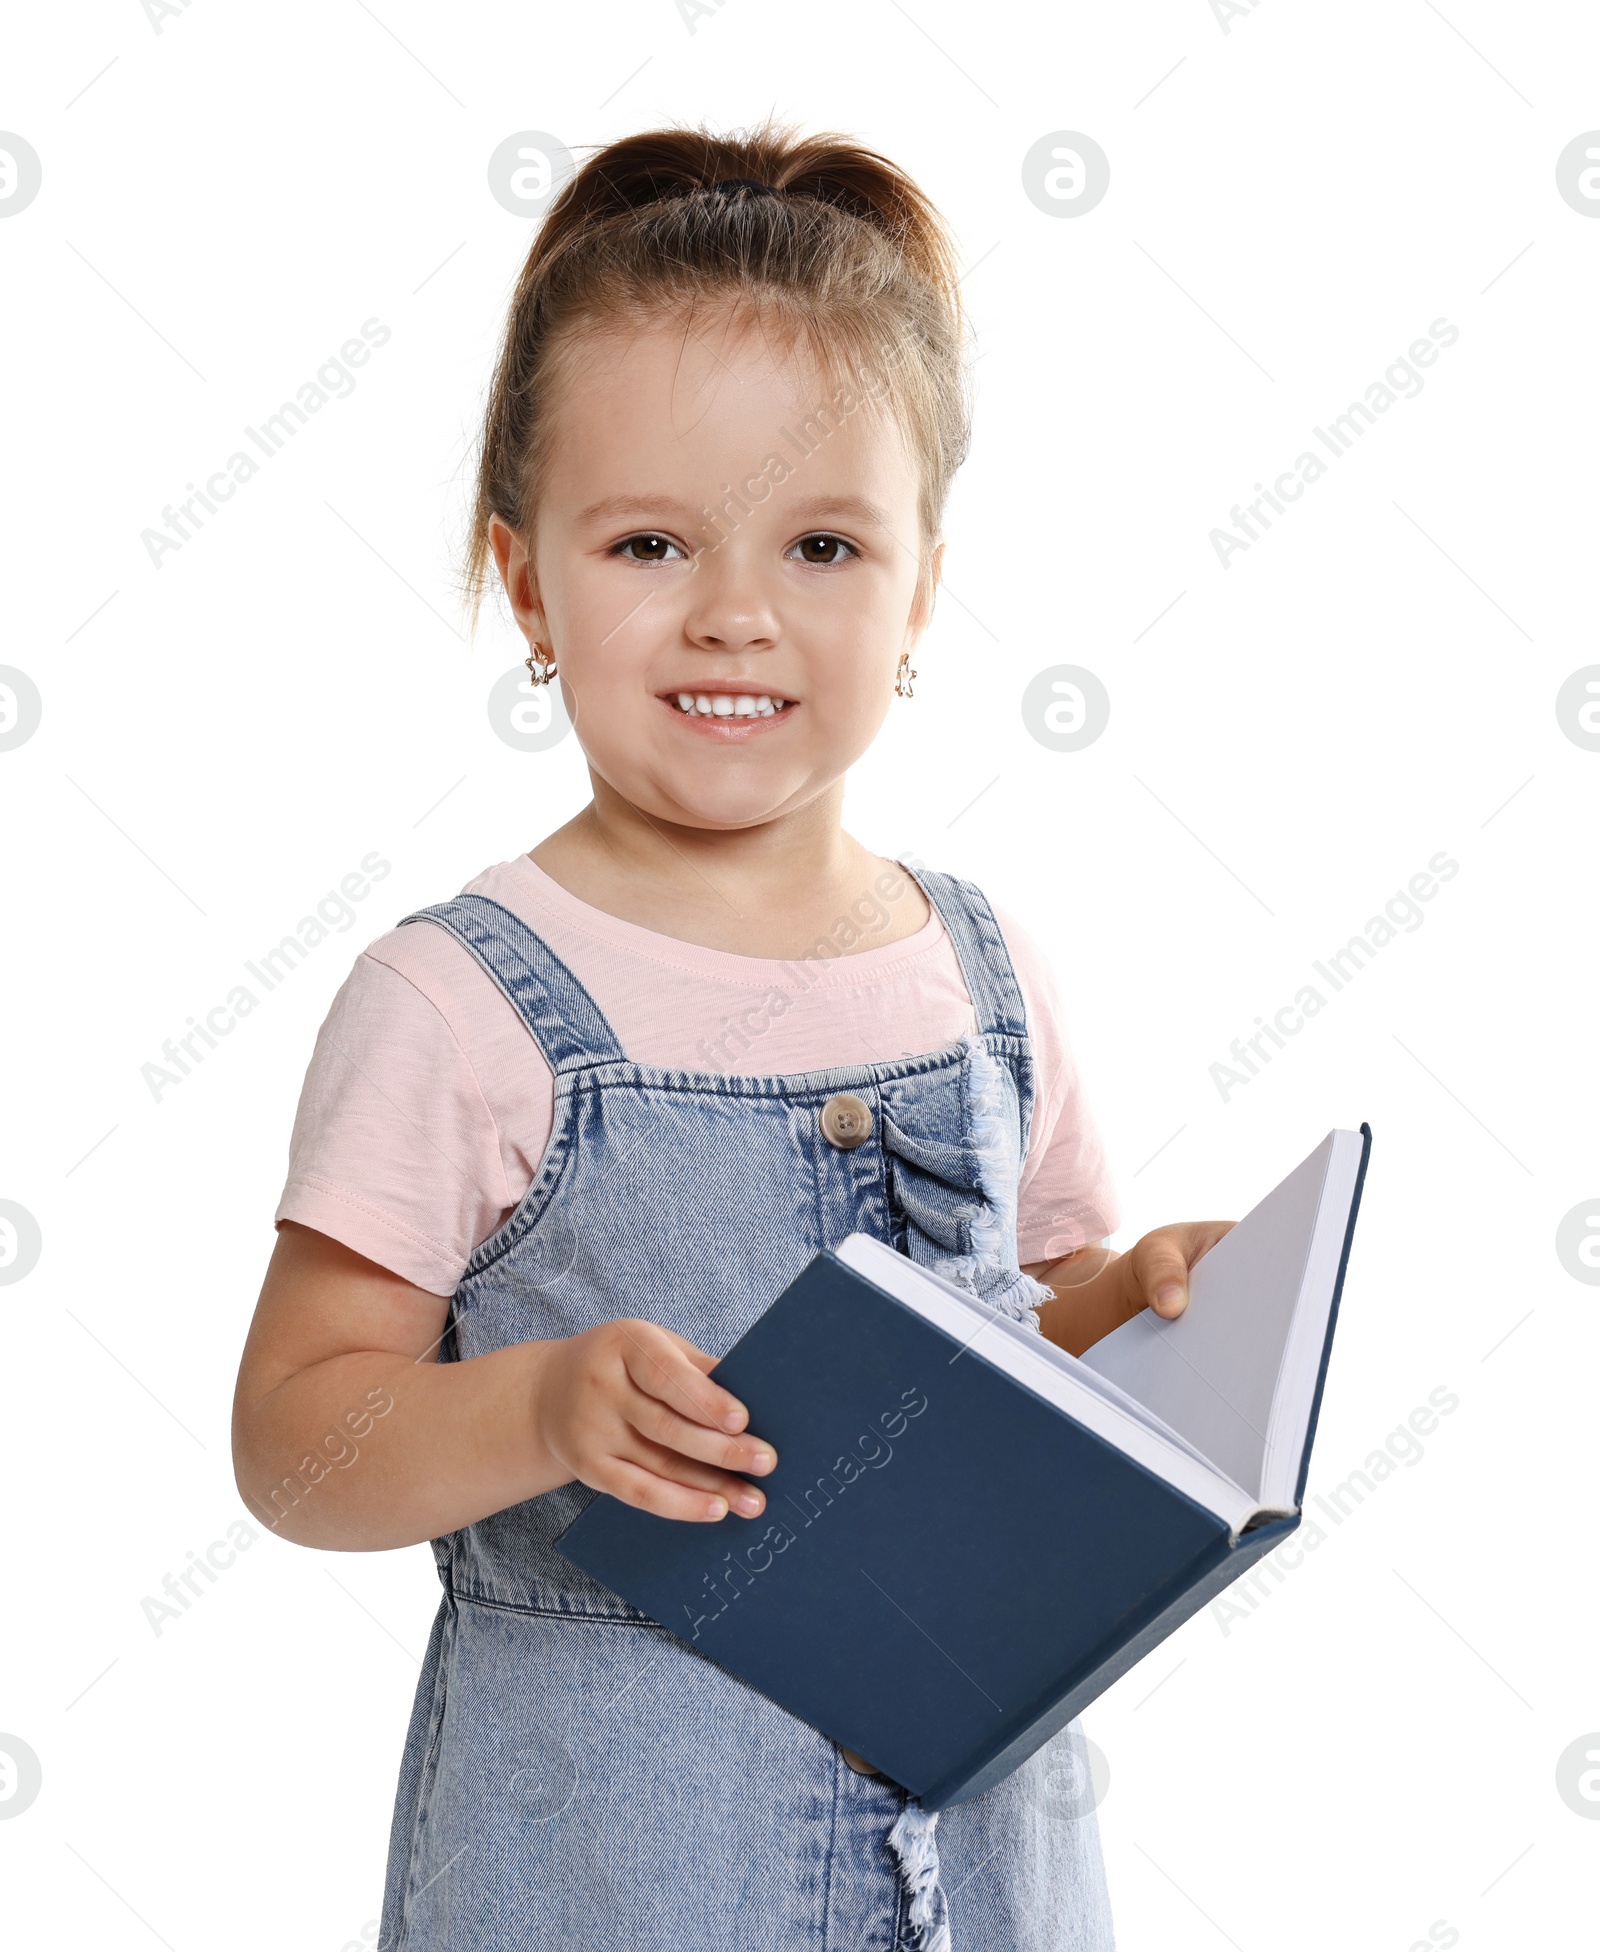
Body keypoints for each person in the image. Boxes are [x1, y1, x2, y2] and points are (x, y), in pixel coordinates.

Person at [231, 118, 1231, 1952]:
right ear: (527, 580)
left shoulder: (987, 973)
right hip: (607, 1878)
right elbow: (292, 1443)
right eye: (649, 541)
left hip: (991, 1863)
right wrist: (530, 1405)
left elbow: (1017, 1365)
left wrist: (1150, 1302)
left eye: (826, 543)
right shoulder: (460, 1005)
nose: (738, 613)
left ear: (924, 588)